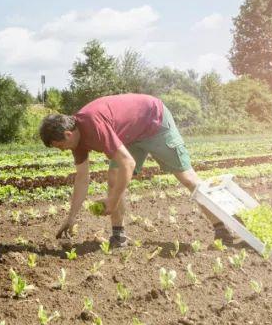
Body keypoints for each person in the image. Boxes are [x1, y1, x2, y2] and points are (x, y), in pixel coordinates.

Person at [39, 92, 220, 248]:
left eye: (59, 145)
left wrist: (112, 201)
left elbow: (128, 163)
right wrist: (71, 217)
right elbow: (82, 178)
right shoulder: (76, 143)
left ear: (68, 134)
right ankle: (119, 236)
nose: (62, 149)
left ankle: (224, 228)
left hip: (154, 121)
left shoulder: (93, 124)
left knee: (187, 178)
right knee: (114, 177)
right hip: (131, 133)